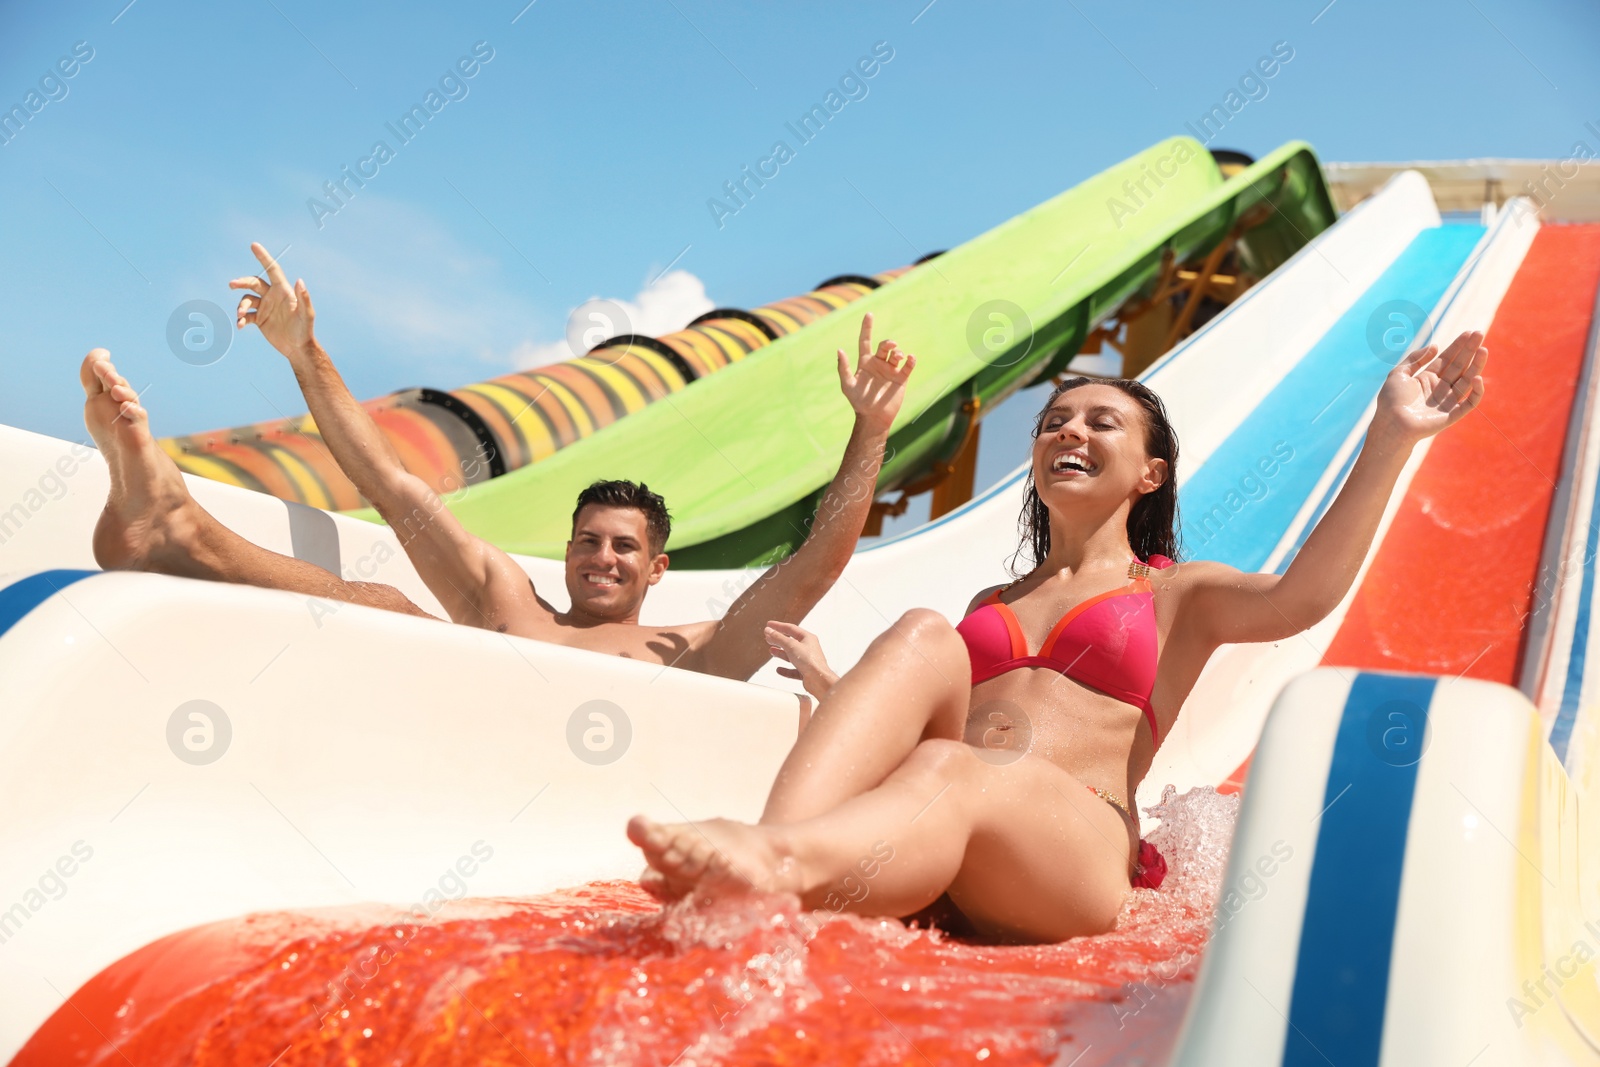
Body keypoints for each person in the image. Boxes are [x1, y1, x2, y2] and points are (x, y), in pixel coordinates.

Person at [630, 331, 1488, 942]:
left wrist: (1391, 438)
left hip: (1069, 859)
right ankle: (768, 865)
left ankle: (778, 858)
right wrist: (832, 680)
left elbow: (1306, 595)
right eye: (1053, 421)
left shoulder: (1176, 593)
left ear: (1150, 473)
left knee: (958, 765)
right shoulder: (988, 600)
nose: (1068, 430)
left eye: (1100, 421)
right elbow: (916, 721)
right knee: (926, 636)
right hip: (943, 834)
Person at [78, 243, 915, 681]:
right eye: (589, 540)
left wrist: (869, 431)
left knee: (392, 608)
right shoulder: (508, 600)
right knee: (386, 601)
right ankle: (172, 526)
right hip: (420, 737)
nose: (602, 556)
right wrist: (304, 352)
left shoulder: (685, 651)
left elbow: (812, 566)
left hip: (537, 800)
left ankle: (175, 531)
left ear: (658, 568)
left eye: (624, 547)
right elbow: (389, 480)